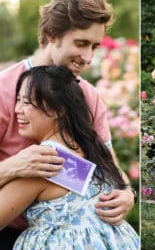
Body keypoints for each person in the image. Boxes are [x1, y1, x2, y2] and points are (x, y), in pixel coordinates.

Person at [0, 0, 136, 248]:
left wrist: (127, 192)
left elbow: (106, 163)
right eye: (81, 43)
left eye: (95, 46)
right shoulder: (3, 90)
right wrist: (13, 167)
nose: (88, 58)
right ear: (52, 36)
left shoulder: (88, 95)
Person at [0, 66, 140, 249]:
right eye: (17, 100)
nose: (17, 109)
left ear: (58, 109)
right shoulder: (93, 148)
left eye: (26, 102)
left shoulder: (45, 162)